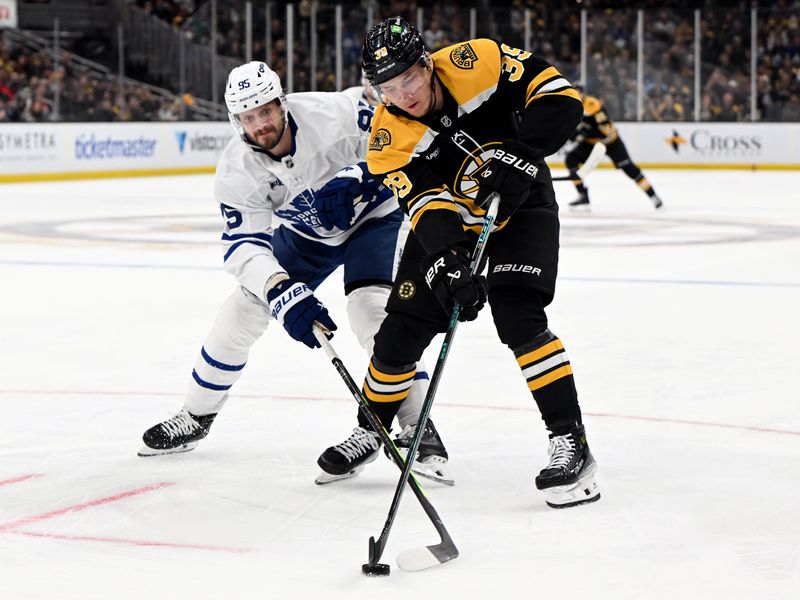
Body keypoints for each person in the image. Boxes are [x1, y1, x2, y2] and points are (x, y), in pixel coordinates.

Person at [316, 17, 601, 508]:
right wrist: (448, 261)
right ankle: (374, 429)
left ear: (427, 65)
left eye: (408, 79)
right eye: (387, 87)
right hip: (455, 225)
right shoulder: (387, 139)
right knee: (400, 331)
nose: (402, 95)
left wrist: (522, 154)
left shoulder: (479, 61)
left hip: (521, 204)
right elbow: (426, 205)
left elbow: (559, 96)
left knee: (519, 316)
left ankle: (570, 441)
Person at [138, 60, 451, 485]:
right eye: (249, 117)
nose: (261, 124)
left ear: (281, 103)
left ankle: (417, 426)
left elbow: (400, 141)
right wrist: (280, 289)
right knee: (241, 312)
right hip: (308, 236)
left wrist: (361, 175)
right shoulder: (236, 170)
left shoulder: (334, 115)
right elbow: (244, 245)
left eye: (266, 110)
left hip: (376, 219)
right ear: (236, 121)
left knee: (370, 311)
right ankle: (196, 415)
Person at [566, 83, 664, 209]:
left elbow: (603, 129)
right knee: (571, 159)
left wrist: (582, 133)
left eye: (579, 92)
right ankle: (582, 195)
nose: (577, 95)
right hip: (591, 143)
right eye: (574, 92)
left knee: (629, 168)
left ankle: (653, 195)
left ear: (584, 93)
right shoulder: (571, 105)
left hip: (610, 142)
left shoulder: (593, 105)